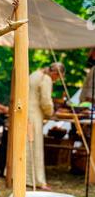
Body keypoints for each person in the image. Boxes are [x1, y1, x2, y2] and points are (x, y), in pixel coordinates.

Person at [27, 62, 65, 190]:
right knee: (35, 146)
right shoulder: (46, 78)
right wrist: (51, 113)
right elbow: (45, 100)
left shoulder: (34, 74)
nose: (56, 80)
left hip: (26, 113)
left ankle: (23, 177)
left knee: (26, 145)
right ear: (55, 73)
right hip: (34, 114)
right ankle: (37, 180)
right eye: (58, 78)